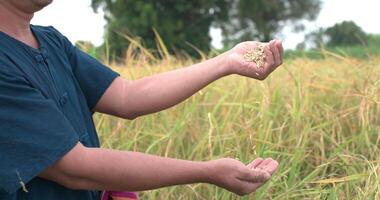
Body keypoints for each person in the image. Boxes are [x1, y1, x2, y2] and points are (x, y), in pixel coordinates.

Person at [0, 0, 283, 199]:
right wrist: (207, 171)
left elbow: (127, 96)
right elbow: (76, 168)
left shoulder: (51, 41)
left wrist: (226, 62)